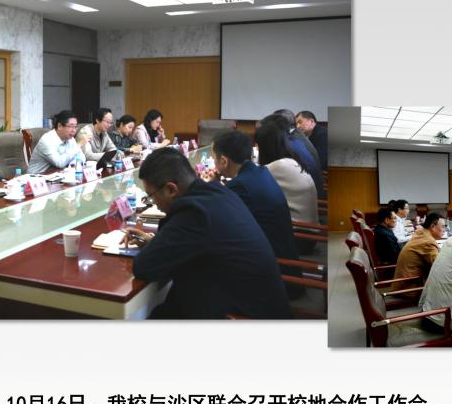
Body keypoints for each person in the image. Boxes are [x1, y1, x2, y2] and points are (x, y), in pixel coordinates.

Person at [127, 148, 291, 319]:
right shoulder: (217, 191)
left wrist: (157, 245)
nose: (154, 202)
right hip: (258, 303)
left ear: (171, 190)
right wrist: (154, 242)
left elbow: (143, 267)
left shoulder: (194, 213)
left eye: (151, 196)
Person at [211, 130, 299, 269]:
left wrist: (211, 186)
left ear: (223, 161)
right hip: (284, 253)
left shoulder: (239, 186)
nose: (214, 163)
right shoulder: (261, 172)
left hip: (272, 266)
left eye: (214, 159)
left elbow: (218, 220)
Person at [253, 120, 318, 225]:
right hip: (309, 226)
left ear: (266, 146)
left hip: (300, 231)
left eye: (258, 145)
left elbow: (251, 185)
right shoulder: (291, 161)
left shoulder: (278, 166)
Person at [264, 112, 325, 199]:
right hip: (311, 186)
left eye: (300, 122)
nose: (298, 126)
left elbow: (322, 161)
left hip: (312, 193)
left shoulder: (292, 140)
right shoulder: (297, 136)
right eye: (297, 123)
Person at [395, 211, 445, 280]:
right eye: (443, 227)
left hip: (406, 279)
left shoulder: (421, 233)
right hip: (411, 284)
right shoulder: (428, 242)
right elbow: (440, 267)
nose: (444, 230)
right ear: (432, 227)